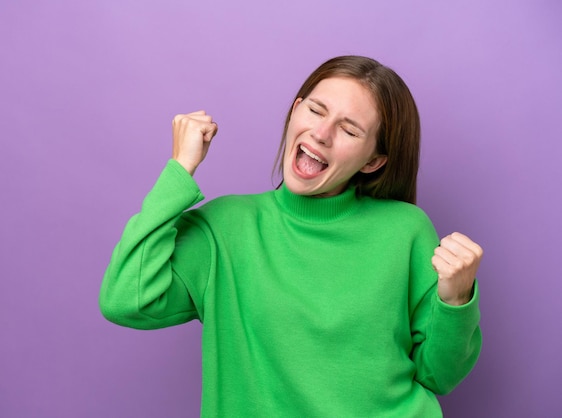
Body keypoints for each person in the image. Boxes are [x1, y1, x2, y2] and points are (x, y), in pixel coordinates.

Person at [99, 55, 483, 417]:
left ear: (373, 160)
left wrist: (457, 299)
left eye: (349, 129)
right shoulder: (225, 229)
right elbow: (125, 300)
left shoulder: (406, 230)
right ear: (295, 109)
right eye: (315, 110)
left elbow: (439, 375)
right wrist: (180, 169)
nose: (322, 133)